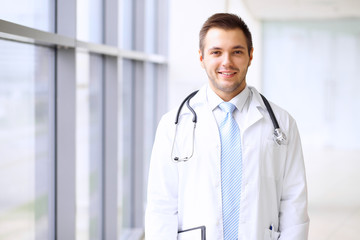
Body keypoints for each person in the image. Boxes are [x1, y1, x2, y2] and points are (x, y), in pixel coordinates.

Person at [145, 13, 309, 240]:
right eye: (216, 52)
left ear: (250, 56)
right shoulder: (172, 125)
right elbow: (161, 205)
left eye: (237, 52)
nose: (227, 62)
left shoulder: (282, 124)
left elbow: (293, 202)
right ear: (201, 57)